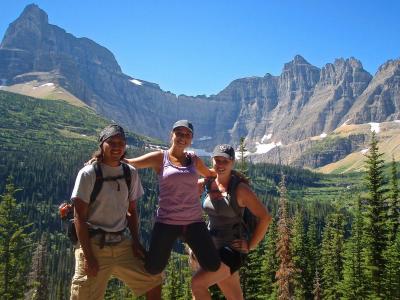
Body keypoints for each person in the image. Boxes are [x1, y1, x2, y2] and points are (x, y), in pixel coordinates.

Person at [70, 124, 162, 300]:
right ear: (101, 144)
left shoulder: (130, 173)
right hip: (94, 245)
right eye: (111, 142)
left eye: (121, 142)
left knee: (153, 279)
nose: (117, 146)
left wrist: (136, 242)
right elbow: (79, 217)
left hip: (121, 243)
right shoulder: (88, 173)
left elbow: (132, 211)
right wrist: (88, 257)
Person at [124, 120, 221, 275]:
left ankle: (194, 260)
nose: (183, 137)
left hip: (194, 221)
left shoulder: (194, 159)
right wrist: (100, 160)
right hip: (166, 221)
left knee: (213, 265)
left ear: (191, 138)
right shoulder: (160, 157)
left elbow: (210, 174)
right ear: (172, 135)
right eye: (179, 133)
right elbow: (130, 163)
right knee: (153, 268)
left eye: (187, 135)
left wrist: (232, 175)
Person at [191, 144, 272, 300]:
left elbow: (265, 217)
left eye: (225, 161)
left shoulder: (240, 190)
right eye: (217, 160)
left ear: (232, 162)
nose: (220, 164)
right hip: (211, 247)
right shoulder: (207, 184)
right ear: (212, 160)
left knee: (197, 284)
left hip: (231, 251)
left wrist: (250, 245)